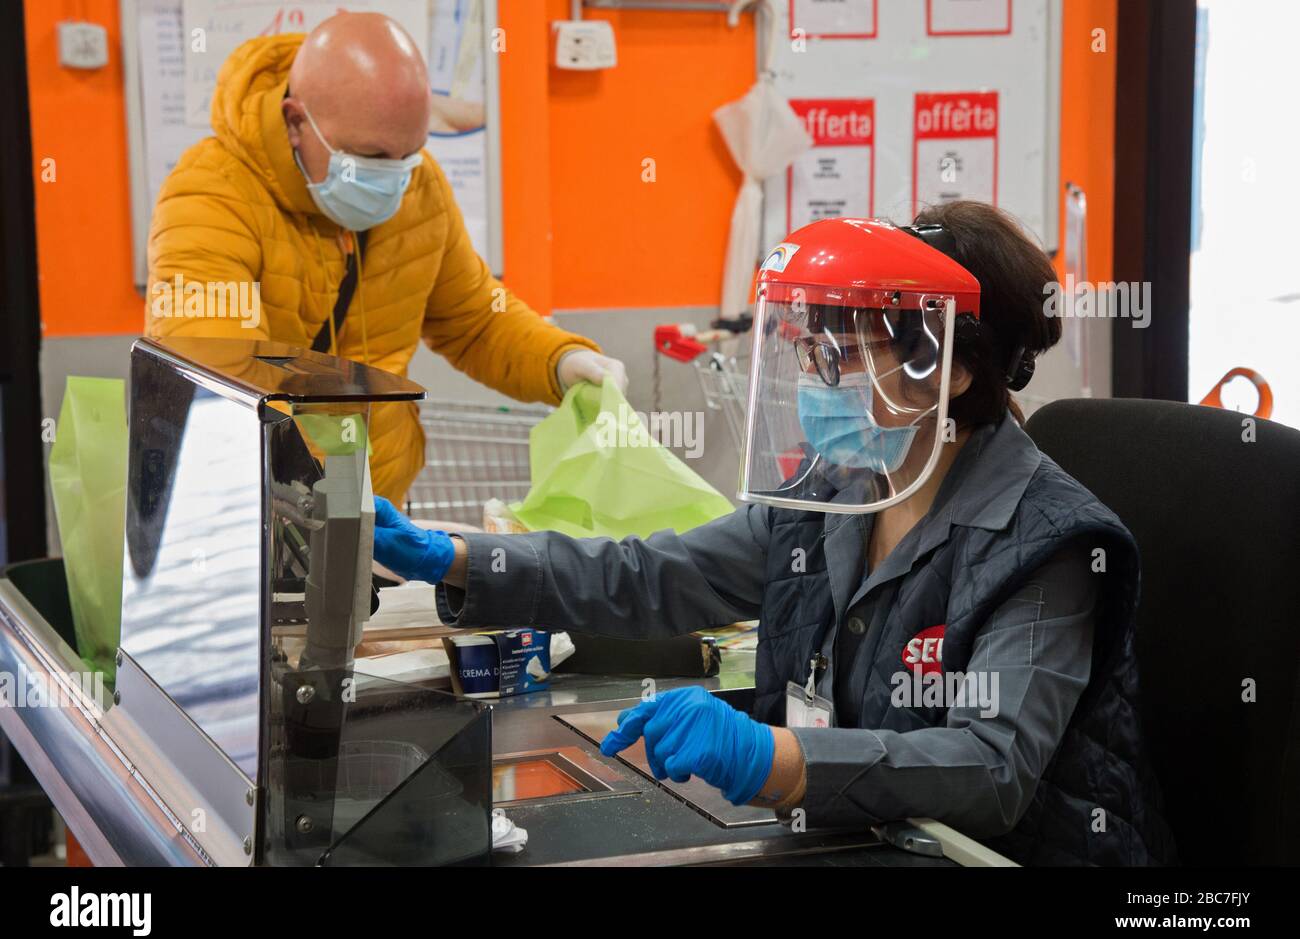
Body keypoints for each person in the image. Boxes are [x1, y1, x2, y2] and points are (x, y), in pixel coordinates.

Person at [372, 202, 1176, 866]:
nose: (824, 385)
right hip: (856, 837)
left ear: (953, 369)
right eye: (816, 357)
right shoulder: (836, 492)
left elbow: (992, 768)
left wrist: (775, 760)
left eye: (846, 358)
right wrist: (460, 559)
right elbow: (652, 575)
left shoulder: (1050, 545)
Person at [145, 12, 625, 503]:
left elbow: (475, 319)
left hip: (378, 507)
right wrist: (318, 506)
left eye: (410, 152)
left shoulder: (419, 185)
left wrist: (562, 360)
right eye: (369, 157)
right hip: (266, 514)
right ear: (296, 122)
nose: (394, 178)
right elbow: (218, 385)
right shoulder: (209, 198)